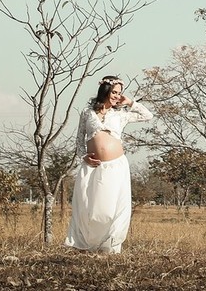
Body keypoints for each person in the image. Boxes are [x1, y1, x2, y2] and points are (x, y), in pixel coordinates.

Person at [65, 75, 153, 253]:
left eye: (119, 93)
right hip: (93, 166)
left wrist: (130, 102)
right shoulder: (87, 112)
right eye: (114, 92)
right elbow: (78, 140)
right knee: (89, 207)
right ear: (105, 90)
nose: (116, 96)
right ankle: (86, 245)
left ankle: (109, 246)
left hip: (115, 166)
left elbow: (147, 115)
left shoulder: (120, 114)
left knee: (110, 209)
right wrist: (84, 157)